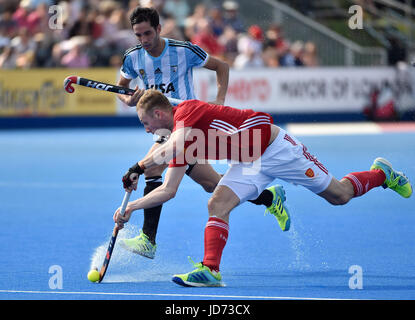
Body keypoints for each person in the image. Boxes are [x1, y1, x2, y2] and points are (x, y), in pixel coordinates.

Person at [114, 89, 412, 287]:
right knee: (217, 203)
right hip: (247, 164)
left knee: (340, 196)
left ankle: (382, 174)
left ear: (158, 114)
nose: (147, 130)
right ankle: (210, 271)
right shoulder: (177, 141)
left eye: (145, 123)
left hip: (277, 149)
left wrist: (137, 168)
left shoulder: (186, 113)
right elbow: (168, 190)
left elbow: (171, 147)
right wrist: (129, 207)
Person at [114, 7, 280, 260]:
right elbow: (121, 89)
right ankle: (269, 197)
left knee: (152, 169)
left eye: (148, 33)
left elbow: (221, 66)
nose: (144, 40)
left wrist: (219, 102)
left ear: (159, 29)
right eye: (138, 35)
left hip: (187, 125)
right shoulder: (133, 57)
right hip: (163, 127)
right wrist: (128, 99)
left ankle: (148, 240)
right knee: (211, 184)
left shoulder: (183, 50)